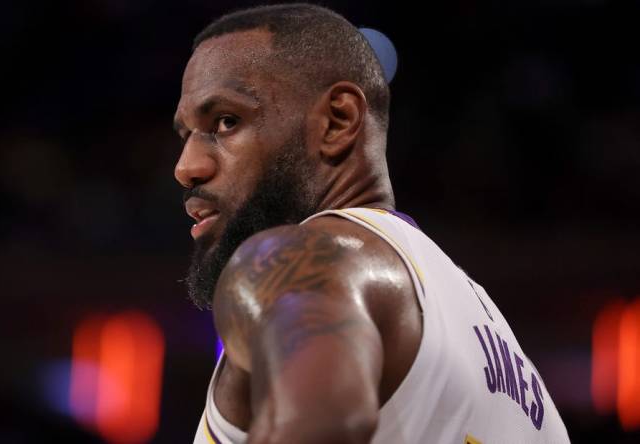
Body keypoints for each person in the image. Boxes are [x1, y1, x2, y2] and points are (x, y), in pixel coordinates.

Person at [172, 4, 570, 443]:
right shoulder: (499, 345)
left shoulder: (299, 261)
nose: (186, 167)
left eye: (226, 122)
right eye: (185, 134)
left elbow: (323, 423)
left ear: (338, 121)